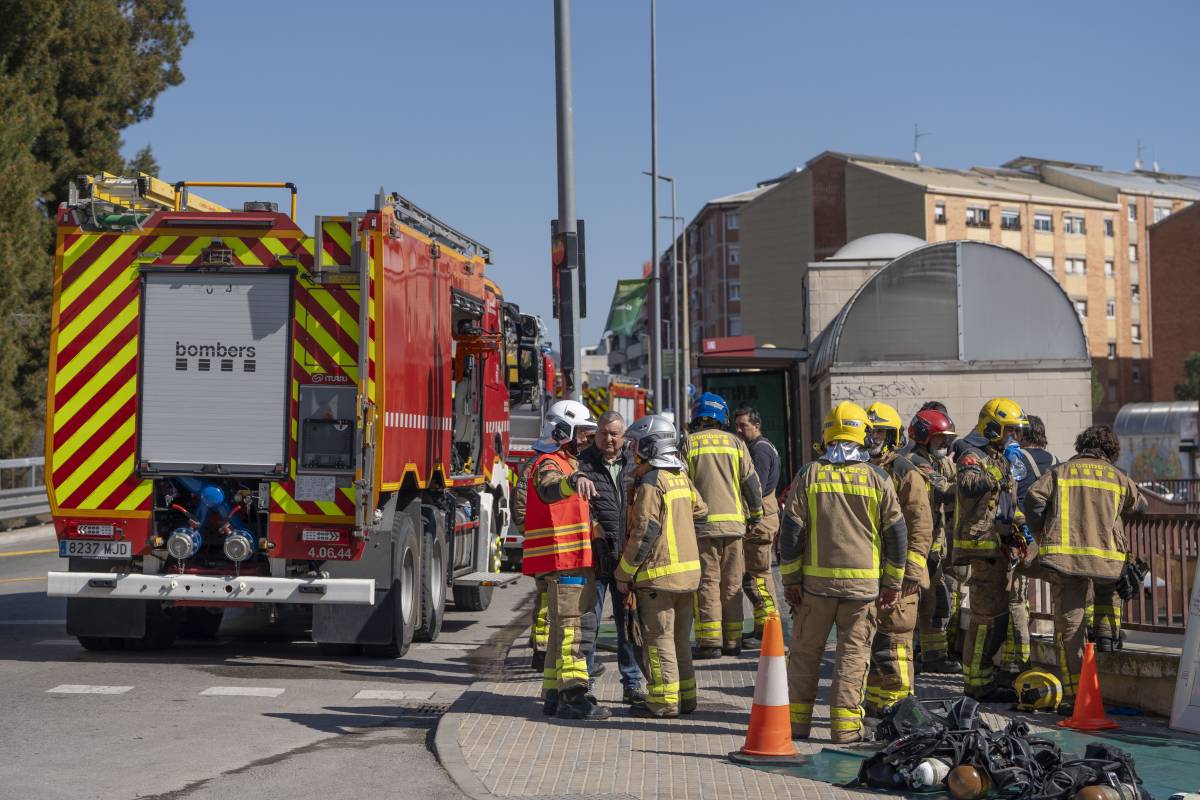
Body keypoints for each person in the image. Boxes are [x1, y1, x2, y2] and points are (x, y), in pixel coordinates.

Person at [781, 401, 908, 743]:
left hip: (815, 589)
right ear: (863, 435)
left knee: (805, 655)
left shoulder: (808, 475)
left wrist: (791, 580)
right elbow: (897, 536)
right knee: (852, 658)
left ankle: (795, 725)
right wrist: (892, 584)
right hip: (862, 591)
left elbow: (791, 532)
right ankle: (846, 729)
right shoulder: (879, 478)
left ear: (827, 434)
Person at [1024, 425, 1145, 715]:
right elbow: (1140, 506)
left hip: (1065, 560)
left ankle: (1077, 695)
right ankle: (1105, 636)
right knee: (1108, 592)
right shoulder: (1119, 477)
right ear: (1112, 451)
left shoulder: (1060, 472)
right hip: (1107, 558)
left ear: (1081, 446)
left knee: (1070, 627)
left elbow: (1033, 499)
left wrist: (1041, 531)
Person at [615, 415, 708, 718]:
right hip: (688, 576)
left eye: (636, 445)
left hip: (659, 578)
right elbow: (702, 513)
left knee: (659, 641)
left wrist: (624, 572)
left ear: (650, 446)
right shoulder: (680, 476)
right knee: (680, 641)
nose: (633, 452)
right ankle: (686, 698)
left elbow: (644, 532)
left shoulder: (652, 482)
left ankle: (663, 701)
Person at [521, 399, 609, 720]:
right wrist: (572, 482)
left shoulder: (567, 463)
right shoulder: (550, 463)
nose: (585, 439)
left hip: (567, 560)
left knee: (560, 632)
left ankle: (553, 694)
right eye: (581, 433)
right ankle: (573, 697)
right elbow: (548, 489)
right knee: (574, 628)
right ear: (562, 432)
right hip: (565, 561)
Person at [952, 397, 1031, 702]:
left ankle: (985, 678)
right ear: (993, 427)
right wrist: (1001, 471)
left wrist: (1022, 528)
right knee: (985, 619)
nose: (1015, 436)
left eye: (1017, 431)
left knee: (997, 616)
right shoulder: (972, 455)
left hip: (999, 548)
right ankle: (976, 685)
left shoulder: (999, 458)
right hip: (982, 546)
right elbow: (968, 485)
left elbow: (1007, 503)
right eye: (1010, 430)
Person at [863, 402, 933, 715]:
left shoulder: (905, 473)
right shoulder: (861, 469)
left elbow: (921, 525)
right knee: (875, 645)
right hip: (870, 573)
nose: (874, 437)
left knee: (895, 644)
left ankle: (903, 710)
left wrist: (911, 572)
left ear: (894, 436)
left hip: (900, 575)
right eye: (871, 431)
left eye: (881, 432)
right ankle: (879, 708)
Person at [683, 392, 764, 658]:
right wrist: (755, 515)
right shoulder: (736, 443)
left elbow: (682, 486)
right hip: (734, 527)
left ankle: (710, 643)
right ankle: (732, 641)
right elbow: (751, 484)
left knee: (707, 583)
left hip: (702, 527)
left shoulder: (689, 444)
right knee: (732, 585)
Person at [578, 411, 646, 704]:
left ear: (624, 436)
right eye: (604, 433)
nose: (608, 439)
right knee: (589, 624)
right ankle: (586, 682)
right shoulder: (583, 464)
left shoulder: (635, 464)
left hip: (625, 560)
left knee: (627, 625)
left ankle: (632, 683)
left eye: (614, 434)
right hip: (595, 560)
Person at [997, 414, 1057, 683]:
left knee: (1016, 600)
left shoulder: (1014, 459)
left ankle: (1016, 663)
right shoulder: (1057, 461)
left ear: (1022, 434)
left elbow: (1006, 497)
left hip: (1021, 539)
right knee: (1062, 597)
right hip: (1052, 540)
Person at [910, 401, 966, 667]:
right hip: (918, 542)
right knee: (916, 599)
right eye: (940, 438)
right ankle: (915, 653)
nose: (945, 444)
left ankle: (933, 655)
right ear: (924, 437)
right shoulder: (915, 463)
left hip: (933, 541)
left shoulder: (935, 461)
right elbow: (945, 490)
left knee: (934, 600)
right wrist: (975, 481)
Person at [733, 406, 782, 646]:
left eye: (743, 425)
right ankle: (762, 628)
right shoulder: (761, 447)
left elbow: (756, 489)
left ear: (756, 425)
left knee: (759, 577)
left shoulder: (759, 451)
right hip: (762, 519)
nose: (739, 430)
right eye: (737, 426)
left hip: (759, 521)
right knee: (751, 577)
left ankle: (768, 629)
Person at [512, 454, 549, 672]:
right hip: (546, 545)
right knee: (546, 599)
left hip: (557, 545)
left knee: (548, 601)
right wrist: (533, 534)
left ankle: (541, 648)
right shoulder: (537, 464)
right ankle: (541, 651)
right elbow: (520, 506)